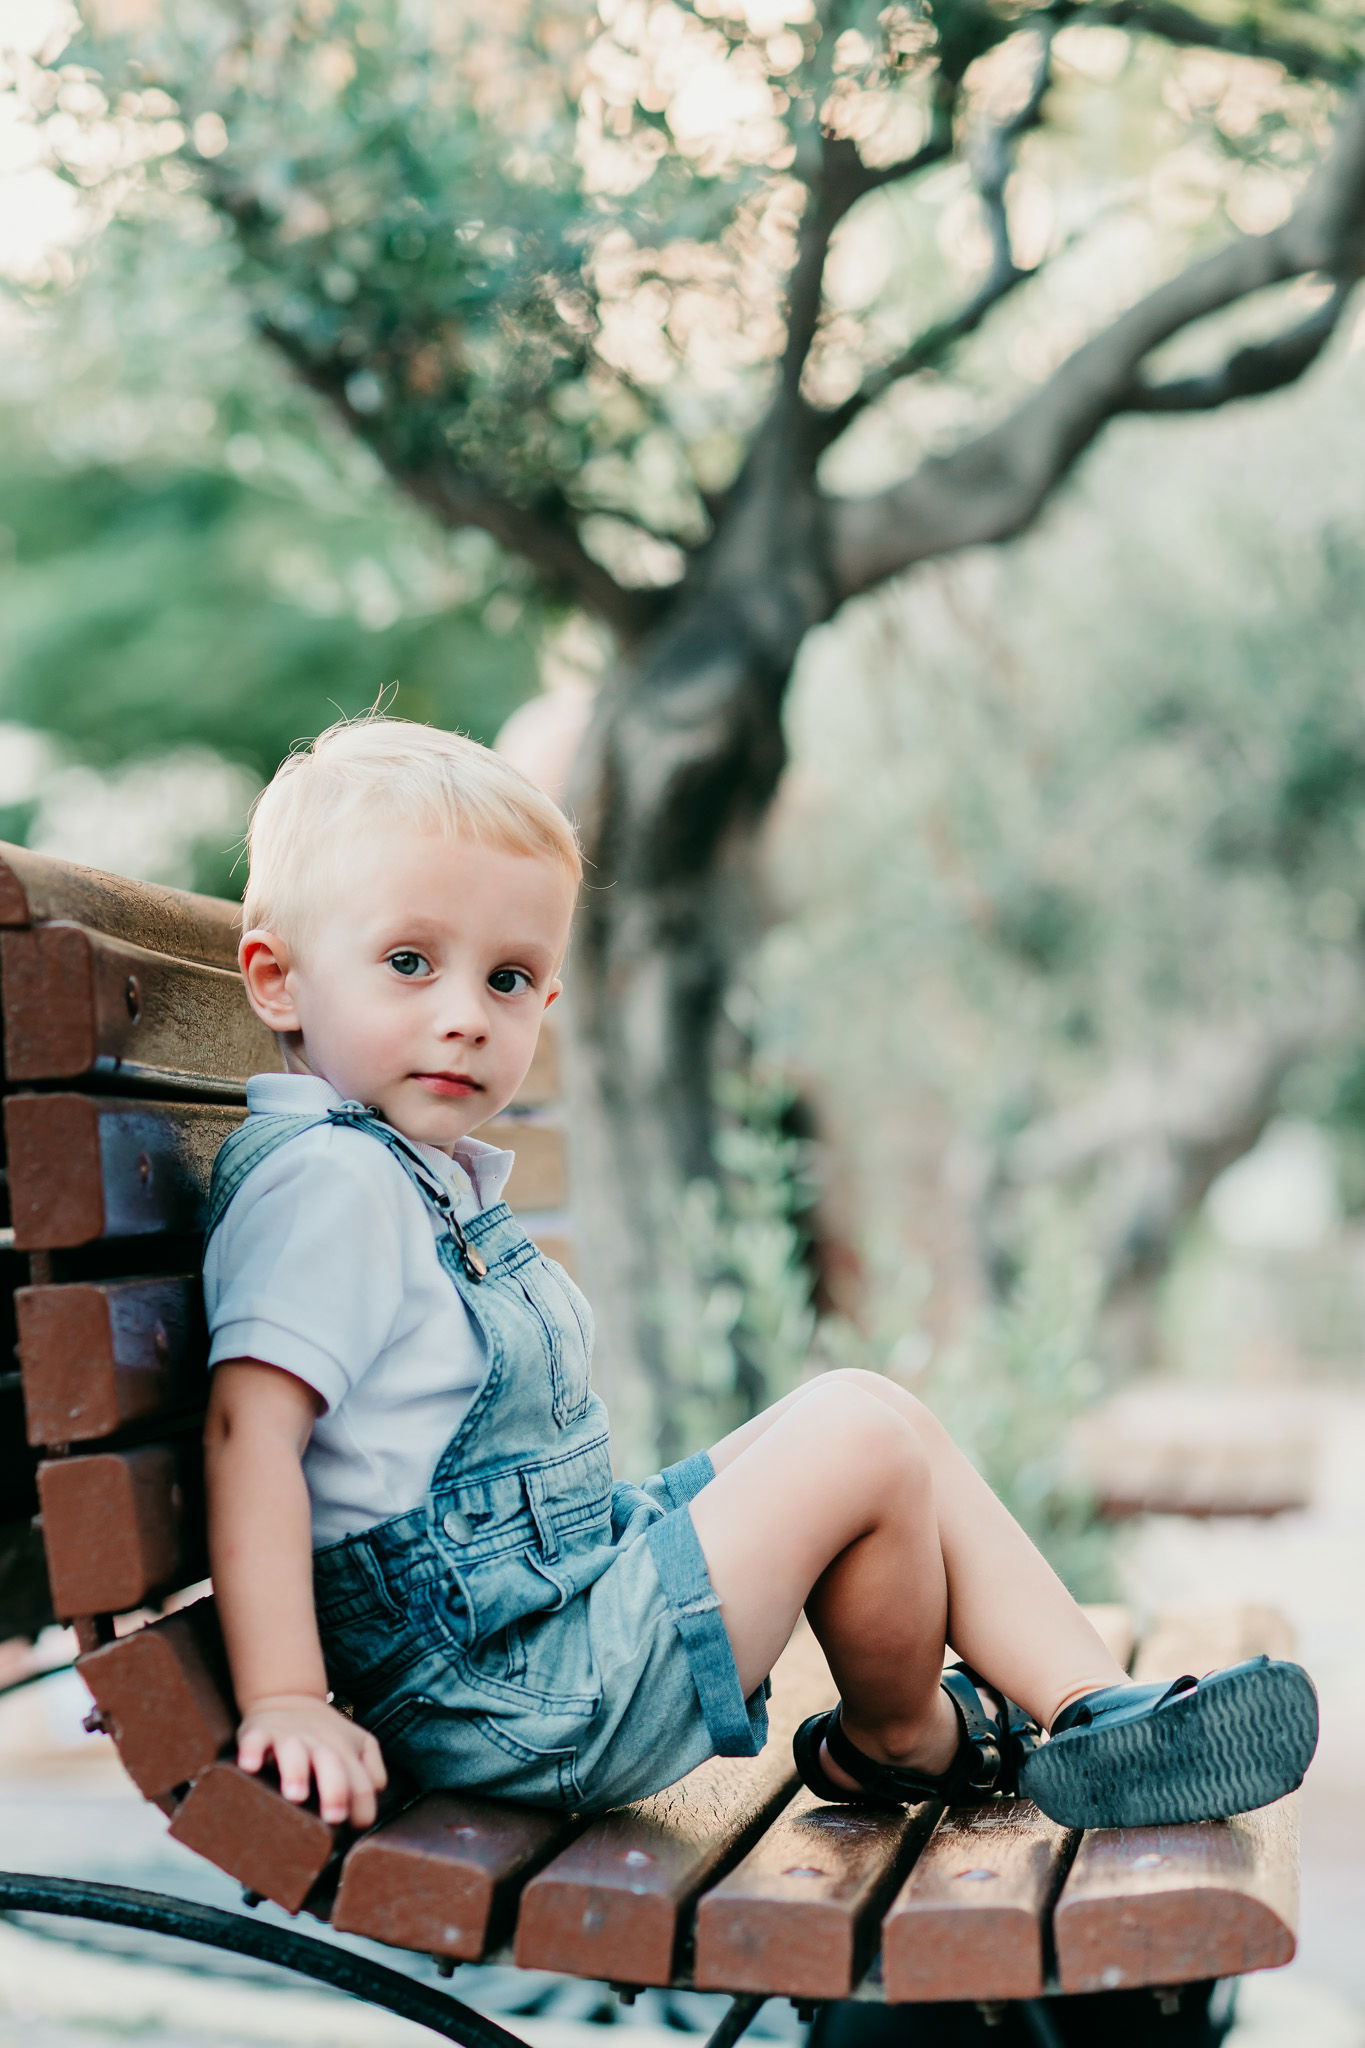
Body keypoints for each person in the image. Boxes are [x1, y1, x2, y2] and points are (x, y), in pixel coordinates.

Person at [203, 715, 1319, 1832]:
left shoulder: (400, 1170)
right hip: (513, 1694)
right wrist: (290, 1695)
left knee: (871, 1408)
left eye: (508, 978)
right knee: (858, 1440)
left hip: (550, 1629)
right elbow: (251, 1434)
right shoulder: (333, 1185)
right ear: (278, 980)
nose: (464, 1015)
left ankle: (1084, 1709)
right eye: (410, 962)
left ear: (547, 1001)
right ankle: (911, 1735)